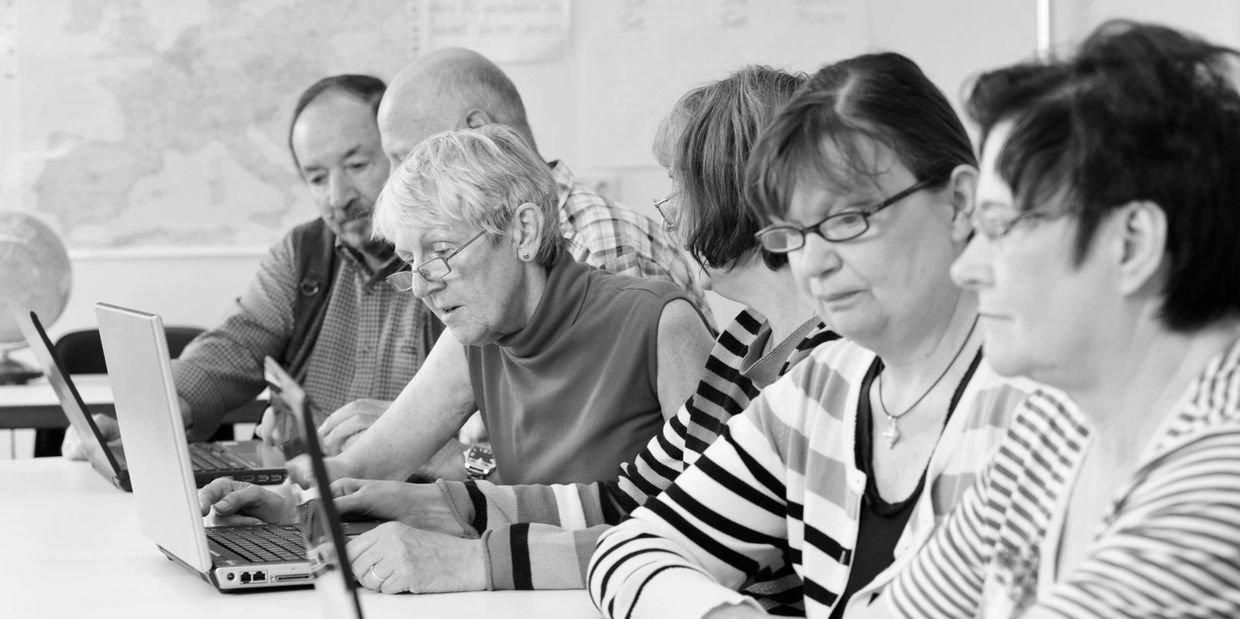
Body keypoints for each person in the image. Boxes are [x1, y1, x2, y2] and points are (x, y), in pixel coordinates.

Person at [200, 65, 837, 598]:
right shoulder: (742, 343)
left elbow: (694, 545)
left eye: (680, 185)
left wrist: (475, 558)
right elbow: (624, 503)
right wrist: (420, 506)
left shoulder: (808, 361)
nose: (669, 214)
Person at [587, 52, 1034, 619]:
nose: (814, 262)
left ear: (959, 203)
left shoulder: (1036, 399)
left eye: (847, 220)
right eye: (792, 232)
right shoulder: (817, 393)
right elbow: (628, 548)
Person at [870, 21, 1240, 618]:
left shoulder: (1221, 481)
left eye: (1000, 227)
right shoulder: (1055, 418)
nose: (967, 268)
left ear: (1132, 243)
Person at [310, 47, 714, 455]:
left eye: (408, 156)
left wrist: (460, 459)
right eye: (411, 261)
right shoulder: (485, 314)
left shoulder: (607, 250)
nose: (397, 177)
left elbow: (611, 470)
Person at [63, 75, 440, 455]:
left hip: (415, 492)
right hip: (304, 486)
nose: (337, 197)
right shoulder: (303, 253)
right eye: (316, 177)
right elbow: (237, 343)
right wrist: (149, 421)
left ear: (400, 155)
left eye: (357, 165)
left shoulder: (449, 259)